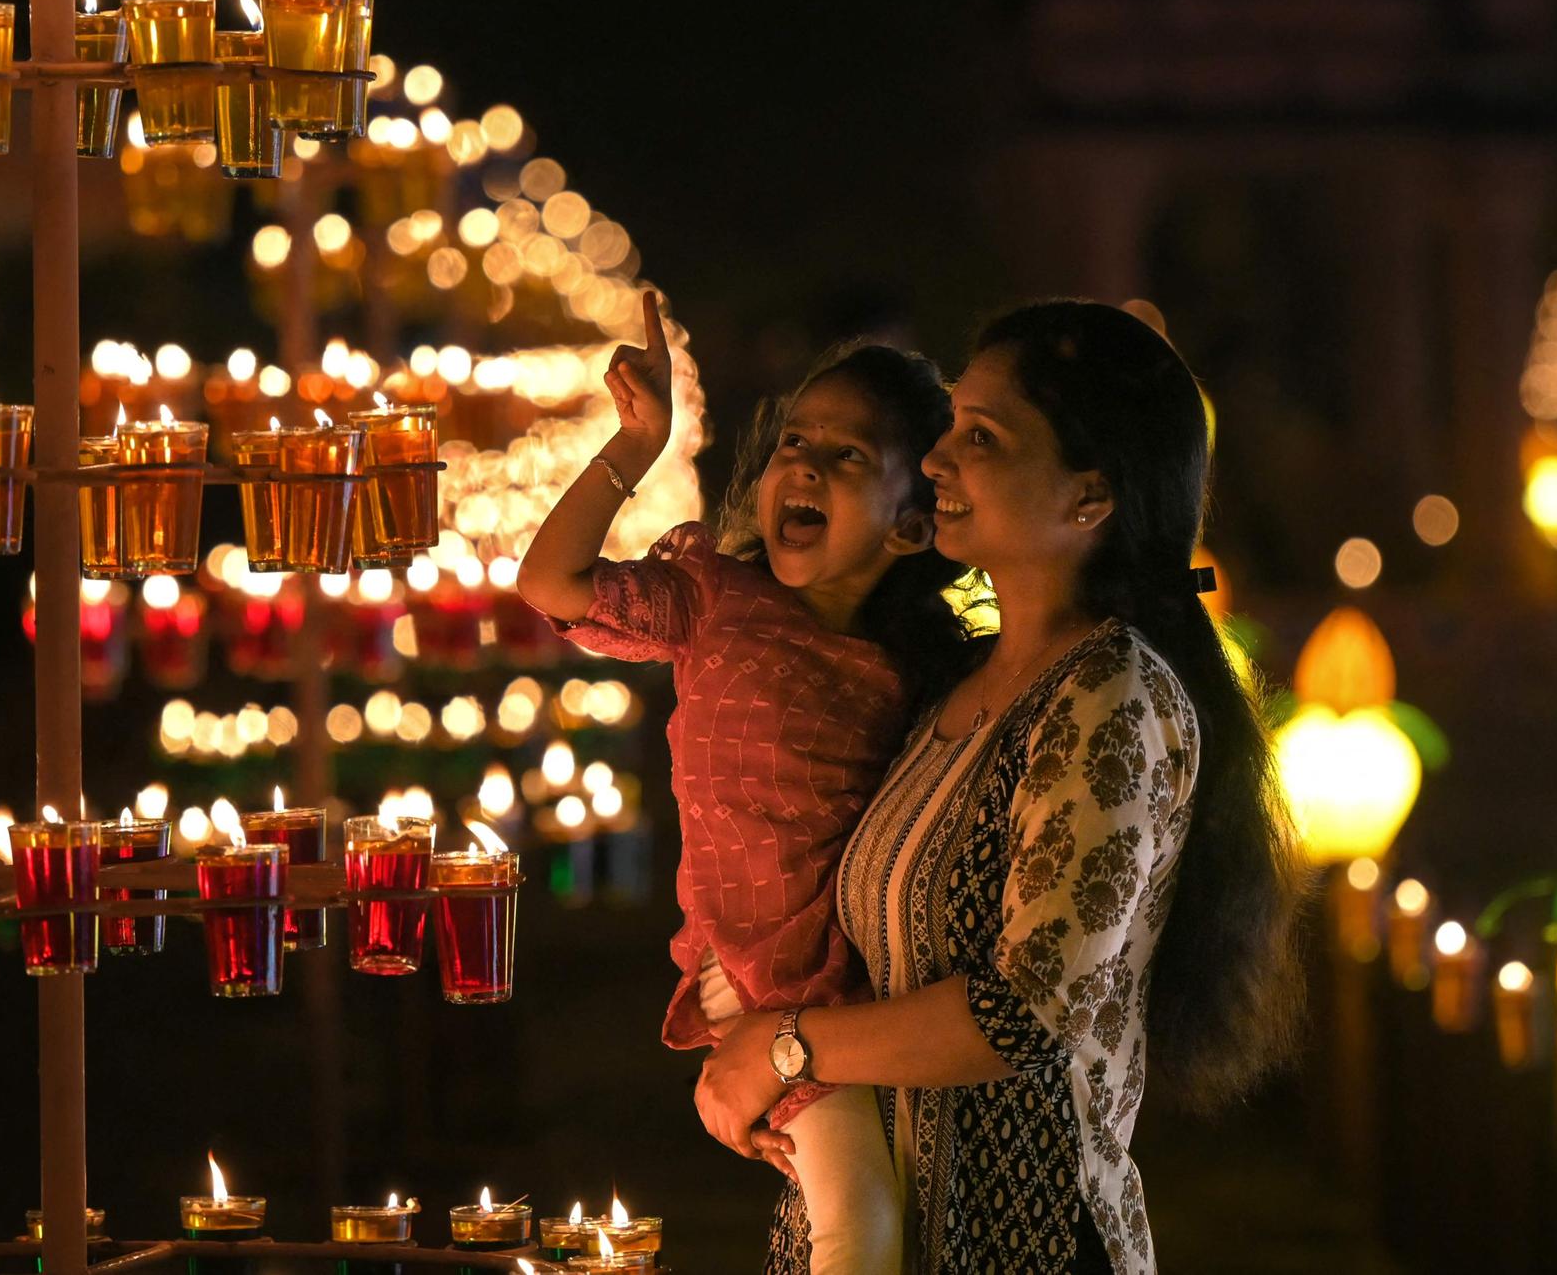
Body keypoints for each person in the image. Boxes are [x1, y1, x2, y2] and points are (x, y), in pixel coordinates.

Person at [697, 300, 1307, 1274]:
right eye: (948, 429)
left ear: (1090, 498)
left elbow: (1024, 1011)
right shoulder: (950, 681)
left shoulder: (1111, 696)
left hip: (1022, 1241)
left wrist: (787, 1049)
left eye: (981, 437)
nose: (937, 461)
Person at [518, 293, 967, 1274]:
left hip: (834, 1002)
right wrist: (635, 447)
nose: (802, 464)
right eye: (795, 443)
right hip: (751, 981)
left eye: (849, 457)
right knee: (862, 1230)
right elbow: (552, 584)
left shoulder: (914, 678)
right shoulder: (715, 599)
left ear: (913, 529)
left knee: (871, 1226)